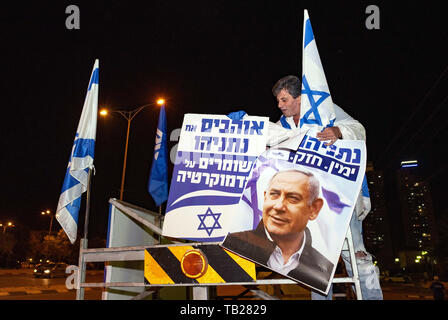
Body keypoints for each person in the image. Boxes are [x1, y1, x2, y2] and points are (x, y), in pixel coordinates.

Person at [272, 75, 383, 300]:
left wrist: (338, 132)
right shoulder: (281, 125)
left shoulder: (326, 109)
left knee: (356, 254)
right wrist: (243, 125)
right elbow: (264, 139)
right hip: (309, 204)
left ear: (299, 98)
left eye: (284, 99)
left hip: (340, 197)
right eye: (278, 101)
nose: (280, 105)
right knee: (315, 258)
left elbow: (357, 128)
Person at [222, 169, 334, 292]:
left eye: (293, 198)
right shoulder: (232, 244)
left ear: (314, 209)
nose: (279, 206)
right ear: (265, 197)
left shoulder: (324, 266)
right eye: (274, 194)